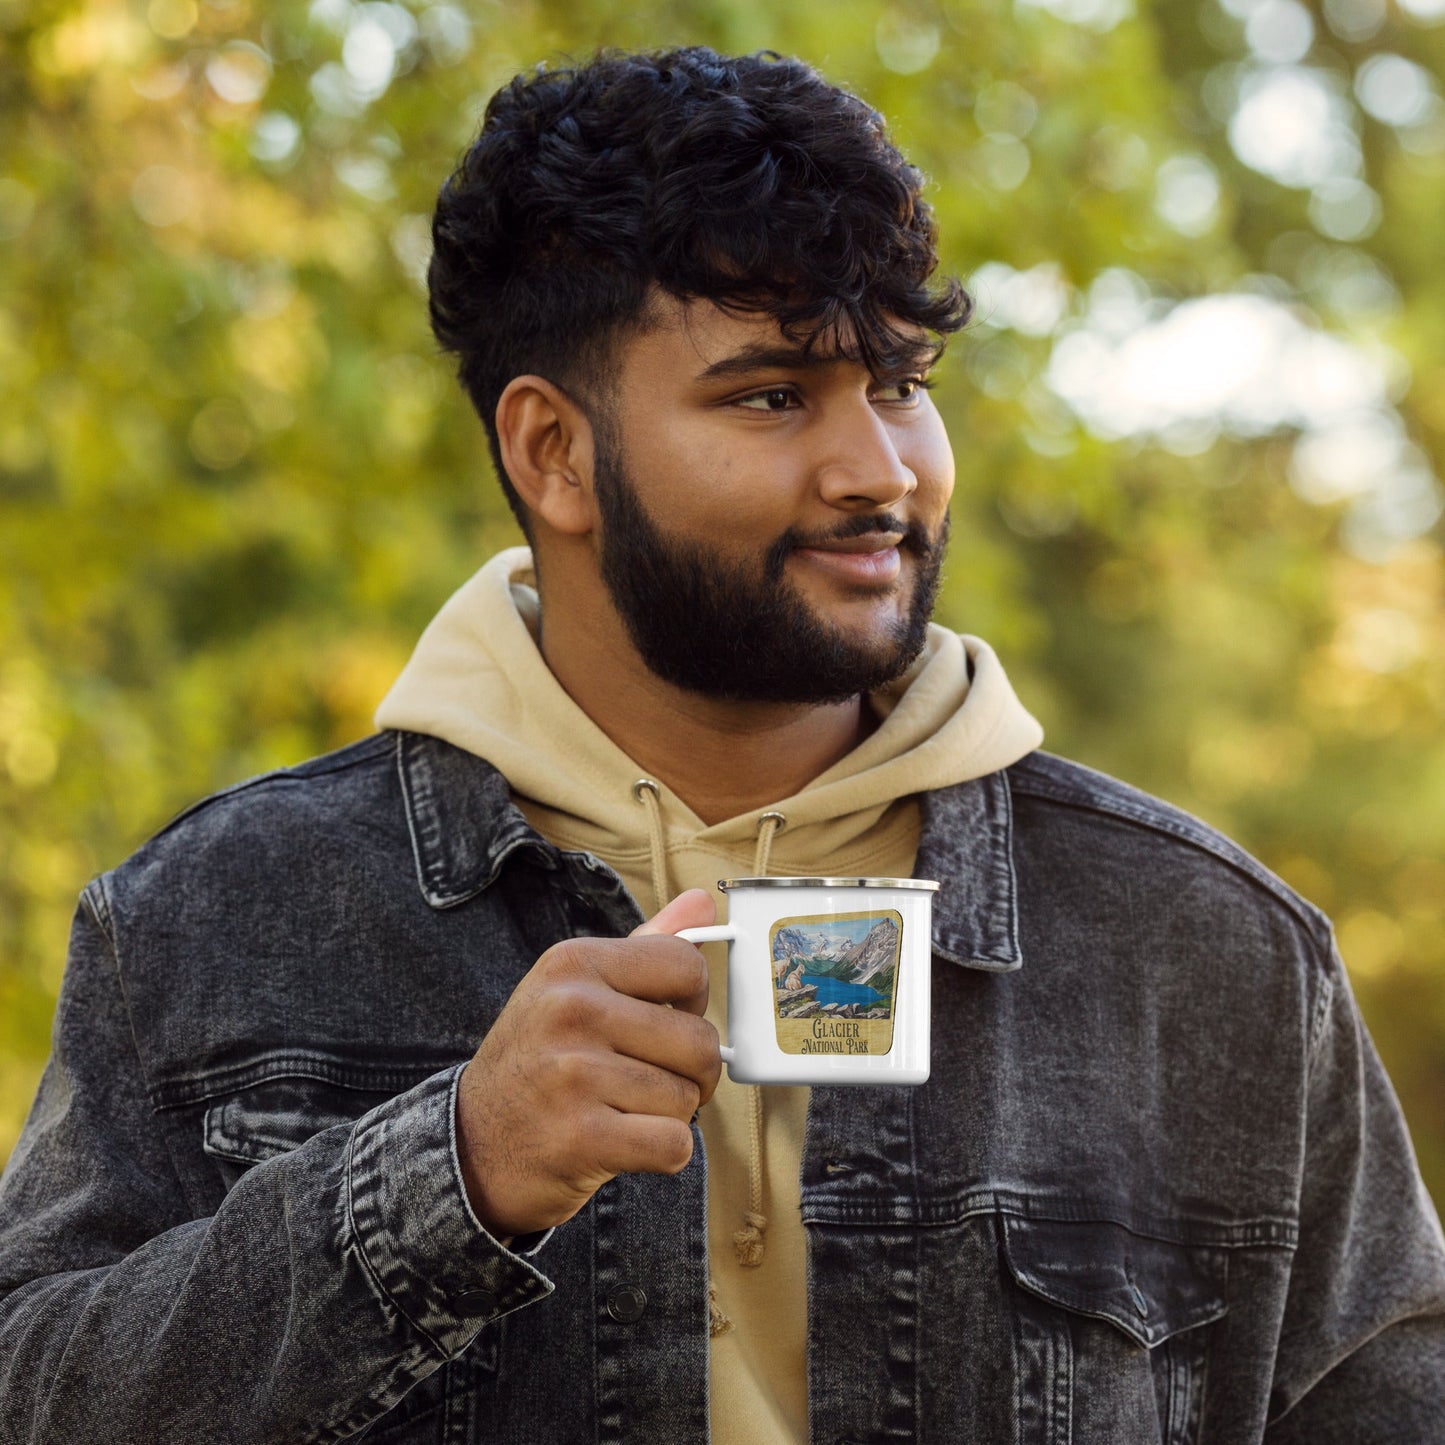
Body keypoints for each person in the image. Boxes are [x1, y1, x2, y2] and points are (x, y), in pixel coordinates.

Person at [1, 44, 1442, 1445]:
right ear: (551, 452)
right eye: (771, 394)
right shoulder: (208, 918)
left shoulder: (1210, 951)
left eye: (899, 381)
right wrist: (444, 1177)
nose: (878, 470)